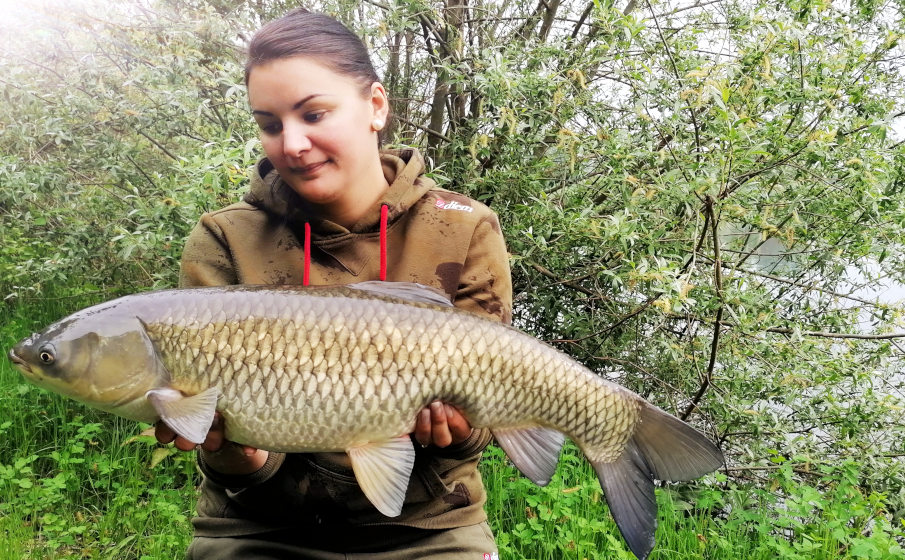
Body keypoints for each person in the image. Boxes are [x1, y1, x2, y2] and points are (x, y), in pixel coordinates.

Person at [154, 8, 512, 559]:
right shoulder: (225, 237)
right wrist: (238, 454)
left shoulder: (462, 226)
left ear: (375, 105)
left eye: (313, 114)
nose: (292, 144)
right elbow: (220, 450)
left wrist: (460, 431)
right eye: (270, 124)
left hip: (427, 526)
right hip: (258, 526)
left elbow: (484, 424)